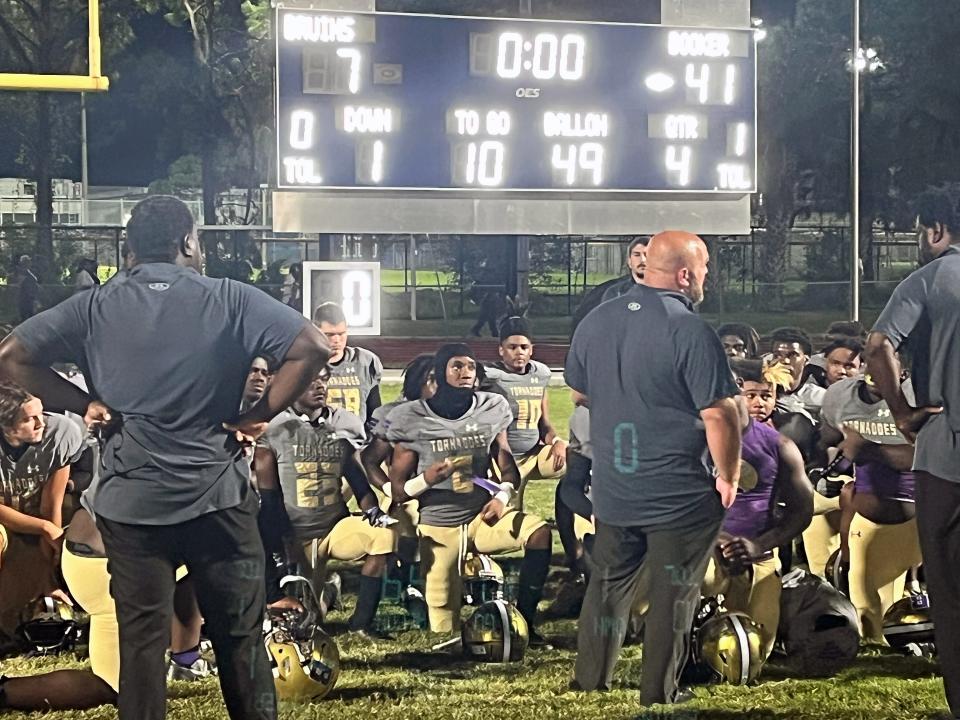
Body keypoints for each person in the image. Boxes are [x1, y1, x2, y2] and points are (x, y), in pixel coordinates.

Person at [0, 194, 330, 720]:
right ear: (188, 243)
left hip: (131, 508)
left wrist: (84, 403)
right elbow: (312, 346)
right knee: (240, 646)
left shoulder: (95, 304)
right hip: (219, 501)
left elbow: (12, 356)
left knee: (141, 654)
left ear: (128, 250)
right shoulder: (228, 297)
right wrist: (259, 413)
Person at [565, 230, 741, 706]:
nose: (706, 276)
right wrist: (729, 476)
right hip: (678, 490)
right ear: (685, 274)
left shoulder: (597, 319)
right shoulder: (689, 329)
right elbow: (720, 414)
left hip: (616, 484)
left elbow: (578, 393)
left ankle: (589, 680)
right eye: (703, 268)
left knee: (606, 585)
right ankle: (658, 693)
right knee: (673, 595)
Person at [864, 186, 960, 717]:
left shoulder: (930, 279)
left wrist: (902, 414)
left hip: (947, 455)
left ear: (936, 230)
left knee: (949, 590)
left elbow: (878, 347)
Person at [385, 344, 553, 644]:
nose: (465, 373)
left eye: (470, 367)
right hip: (438, 525)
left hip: (480, 517)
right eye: (457, 366)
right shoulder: (412, 418)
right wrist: (425, 479)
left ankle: (526, 618)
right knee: (443, 625)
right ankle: (415, 598)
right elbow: (398, 491)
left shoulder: (491, 408)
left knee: (539, 533)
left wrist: (501, 497)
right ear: (440, 373)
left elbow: (506, 463)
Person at [254, 366, 396, 639]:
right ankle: (327, 591)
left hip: (334, 528)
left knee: (384, 536)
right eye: (310, 379)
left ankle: (361, 623)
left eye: (323, 379)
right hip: (294, 534)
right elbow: (269, 498)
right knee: (306, 622)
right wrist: (276, 544)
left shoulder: (343, 424)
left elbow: (357, 480)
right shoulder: (273, 428)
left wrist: (374, 512)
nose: (319, 386)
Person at [703, 359, 813, 658]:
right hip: (703, 554)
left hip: (759, 555)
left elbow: (802, 510)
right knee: (704, 645)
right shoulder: (689, 440)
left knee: (754, 653)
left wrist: (758, 545)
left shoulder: (780, 445)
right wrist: (718, 541)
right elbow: (673, 506)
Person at [821, 373, 921, 641]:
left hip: (917, 518)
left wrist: (868, 448)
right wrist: (828, 466)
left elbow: (926, 454)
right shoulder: (841, 397)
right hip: (865, 518)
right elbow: (828, 443)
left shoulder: (923, 394)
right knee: (866, 607)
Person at [0, 381, 83, 638]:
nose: (41, 423)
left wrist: (50, 572)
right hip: (5, 518)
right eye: (29, 419)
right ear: (6, 426)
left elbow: (52, 502)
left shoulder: (60, 432)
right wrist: (44, 527)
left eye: (41, 414)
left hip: (37, 511)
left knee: (80, 530)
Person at [484, 316, 566, 510]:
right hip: (502, 460)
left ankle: (578, 522)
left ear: (531, 349)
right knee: (506, 515)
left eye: (523, 347)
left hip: (534, 456)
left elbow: (544, 422)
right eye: (512, 347)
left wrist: (556, 442)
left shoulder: (541, 374)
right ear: (501, 350)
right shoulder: (490, 376)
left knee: (580, 460)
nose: (519, 352)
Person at [313, 302, 383, 432]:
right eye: (329, 335)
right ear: (316, 332)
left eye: (341, 333)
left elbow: (374, 411)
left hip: (356, 441)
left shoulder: (365, 362)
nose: (337, 340)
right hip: (319, 442)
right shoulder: (305, 363)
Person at [601, 237, 649, 302]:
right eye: (637, 255)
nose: (643, 260)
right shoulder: (615, 293)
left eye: (647, 255)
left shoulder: (664, 292)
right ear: (629, 261)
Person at [15, 255, 39, 323]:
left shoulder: (29, 275)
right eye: (28, 262)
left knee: (30, 319)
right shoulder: (22, 274)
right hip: (25, 300)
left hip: (29, 300)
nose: (30, 263)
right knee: (25, 318)